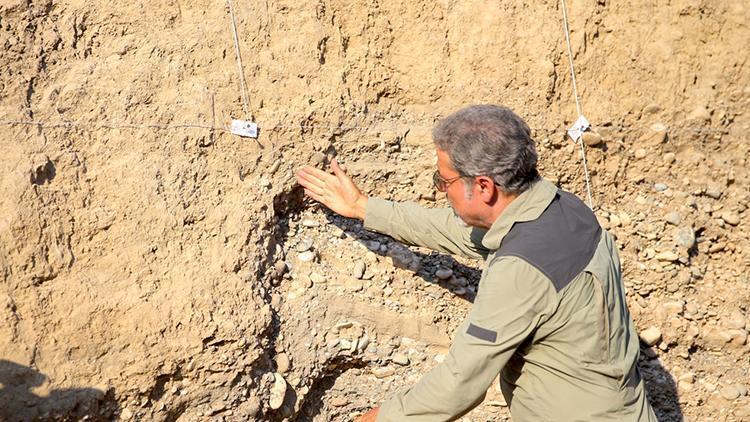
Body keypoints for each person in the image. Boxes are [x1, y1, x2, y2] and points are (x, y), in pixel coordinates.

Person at [296, 105, 656, 421]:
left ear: (483, 187)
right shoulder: (563, 209)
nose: (441, 189)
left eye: (444, 180)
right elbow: (459, 231)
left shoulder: (521, 269)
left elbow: (460, 382)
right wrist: (364, 208)